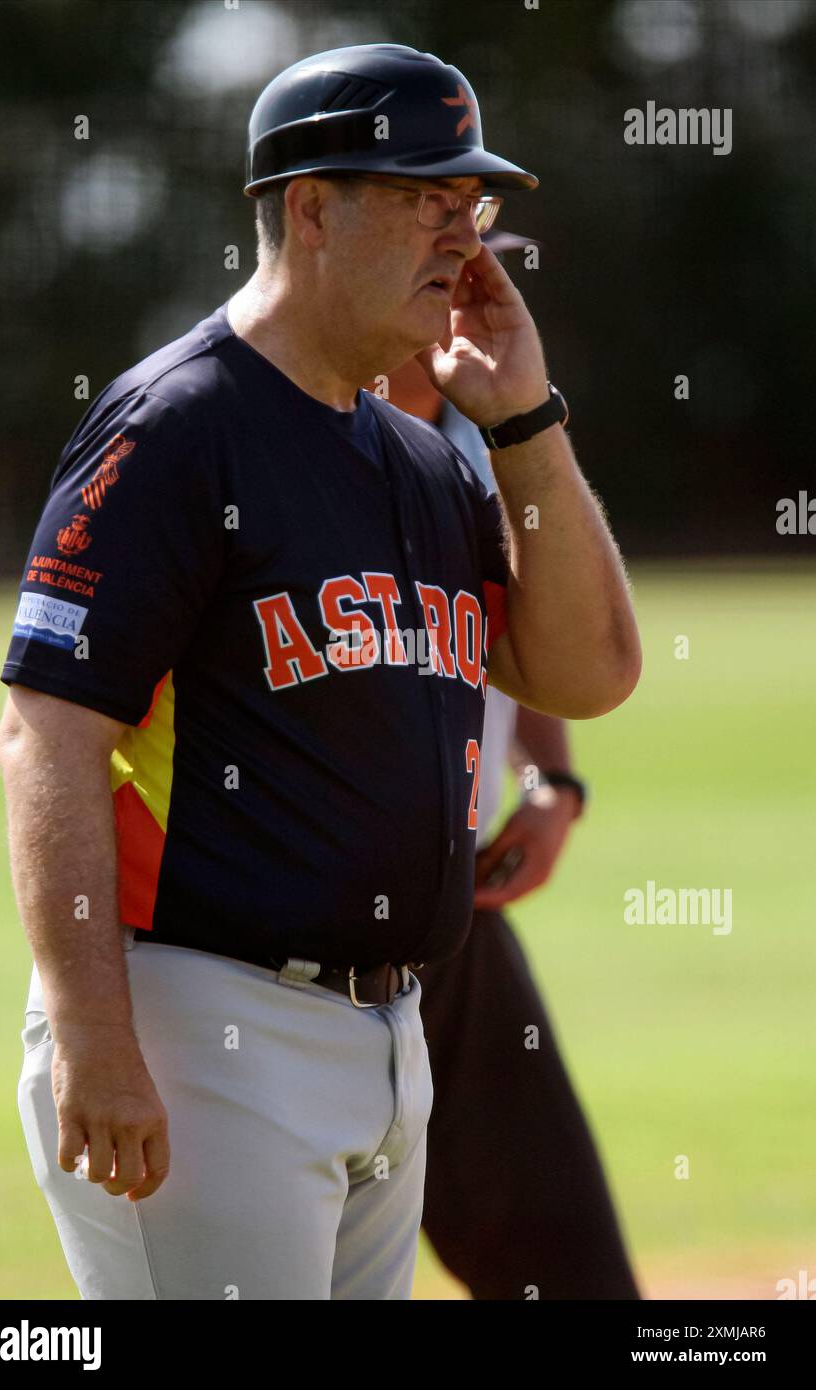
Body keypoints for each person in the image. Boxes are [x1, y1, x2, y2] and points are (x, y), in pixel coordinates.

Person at [0, 43, 640, 1299]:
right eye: (424, 202)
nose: (463, 241)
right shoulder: (177, 426)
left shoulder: (426, 460)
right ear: (308, 207)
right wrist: (92, 1036)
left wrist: (522, 423)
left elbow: (589, 673)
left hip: (387, 1039)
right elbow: (47, 737)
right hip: (200, 1036)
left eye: (474, 209)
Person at [382, 353, 640, 1298]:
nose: (468, 311)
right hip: (287, 936)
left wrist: (553, 785)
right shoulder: (287, 439)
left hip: (456, 913)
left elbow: (540, 639)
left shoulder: (491, 453)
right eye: (445, 265)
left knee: (571, 1269)